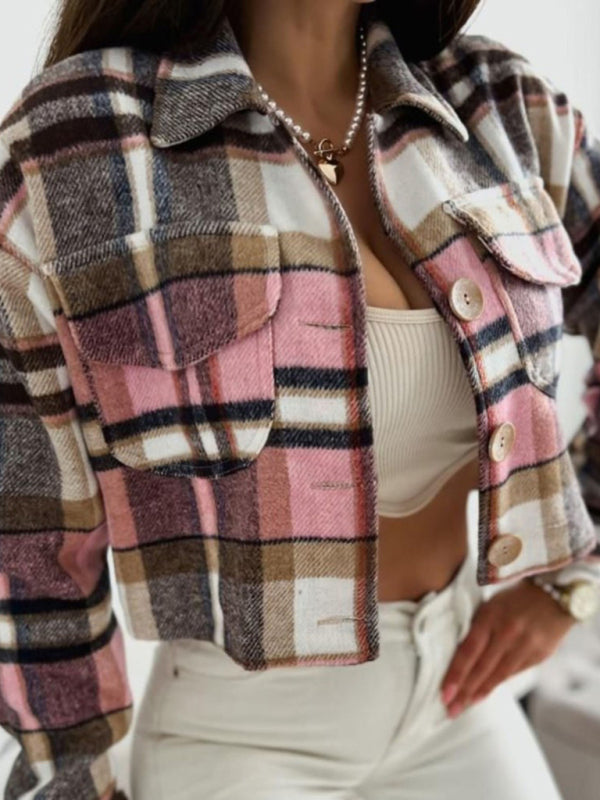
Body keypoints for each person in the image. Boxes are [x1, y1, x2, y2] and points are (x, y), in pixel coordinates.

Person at [1, 0, 600, 797]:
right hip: (237, 736)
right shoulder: (77, 141)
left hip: (456, 694)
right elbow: (31, 544)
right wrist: (72, 783)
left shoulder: (499, 105)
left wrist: (571, 584)